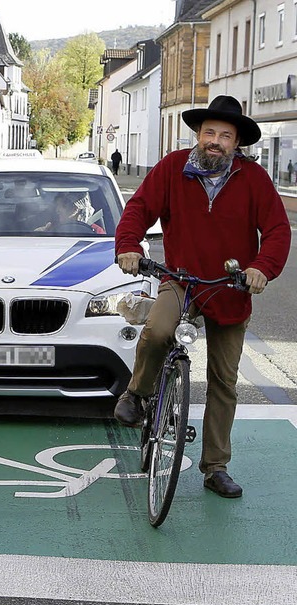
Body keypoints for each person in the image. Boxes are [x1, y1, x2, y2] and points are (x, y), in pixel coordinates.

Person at [113, 95, 291, 498]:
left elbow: (278, 230)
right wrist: (129, 246)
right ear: (198, 134)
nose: (215, 141)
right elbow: (139, 208)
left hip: (230, 287)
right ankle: (138, 394)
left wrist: (262, 268)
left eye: (225, 136)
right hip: (182, 279)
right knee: (158, 330)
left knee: (224, 381)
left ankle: (215, 467)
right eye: (209, 132)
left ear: (236, 143)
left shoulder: (254, 179)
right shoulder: (173, 168)